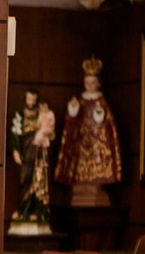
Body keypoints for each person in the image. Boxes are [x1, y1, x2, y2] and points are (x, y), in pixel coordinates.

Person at [54, 57, 122, 187]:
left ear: (98, 84)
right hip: (81, 140)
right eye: (87, 83)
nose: (90, 86)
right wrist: (73, 108)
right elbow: (72, 120)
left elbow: (108, 124)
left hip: (97, 141)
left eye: (93, 83)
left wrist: (98, 114)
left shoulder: (101, 101)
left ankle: (100, 179)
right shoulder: (80, 100)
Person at [8, 100, 55, 235]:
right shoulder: (22, 119)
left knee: (38, 184)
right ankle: (24, 209)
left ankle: (38, 211)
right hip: (28, 158)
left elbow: (50, 132)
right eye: (28, 99)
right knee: (25, 181)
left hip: (39, 158)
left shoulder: (48, 116)